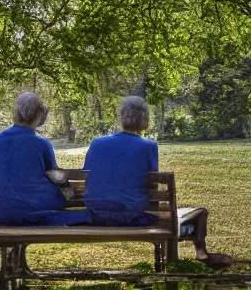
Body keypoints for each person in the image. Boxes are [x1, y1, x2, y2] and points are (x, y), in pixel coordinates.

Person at [83, 96, 232, 269]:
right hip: (131, 215)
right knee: (200, 212)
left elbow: (87, 175)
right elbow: (152, 182)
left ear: (122, 117)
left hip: (97, 213)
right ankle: (201, 254)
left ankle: (198, 253)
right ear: (145, 120)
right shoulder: (148, 146)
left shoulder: (97, 143)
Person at [0, 92, 91, 226]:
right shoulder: (40, 143)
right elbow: (56, 176)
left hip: (2, 210)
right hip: (34, 204)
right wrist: (69, 191)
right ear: (39, 115)